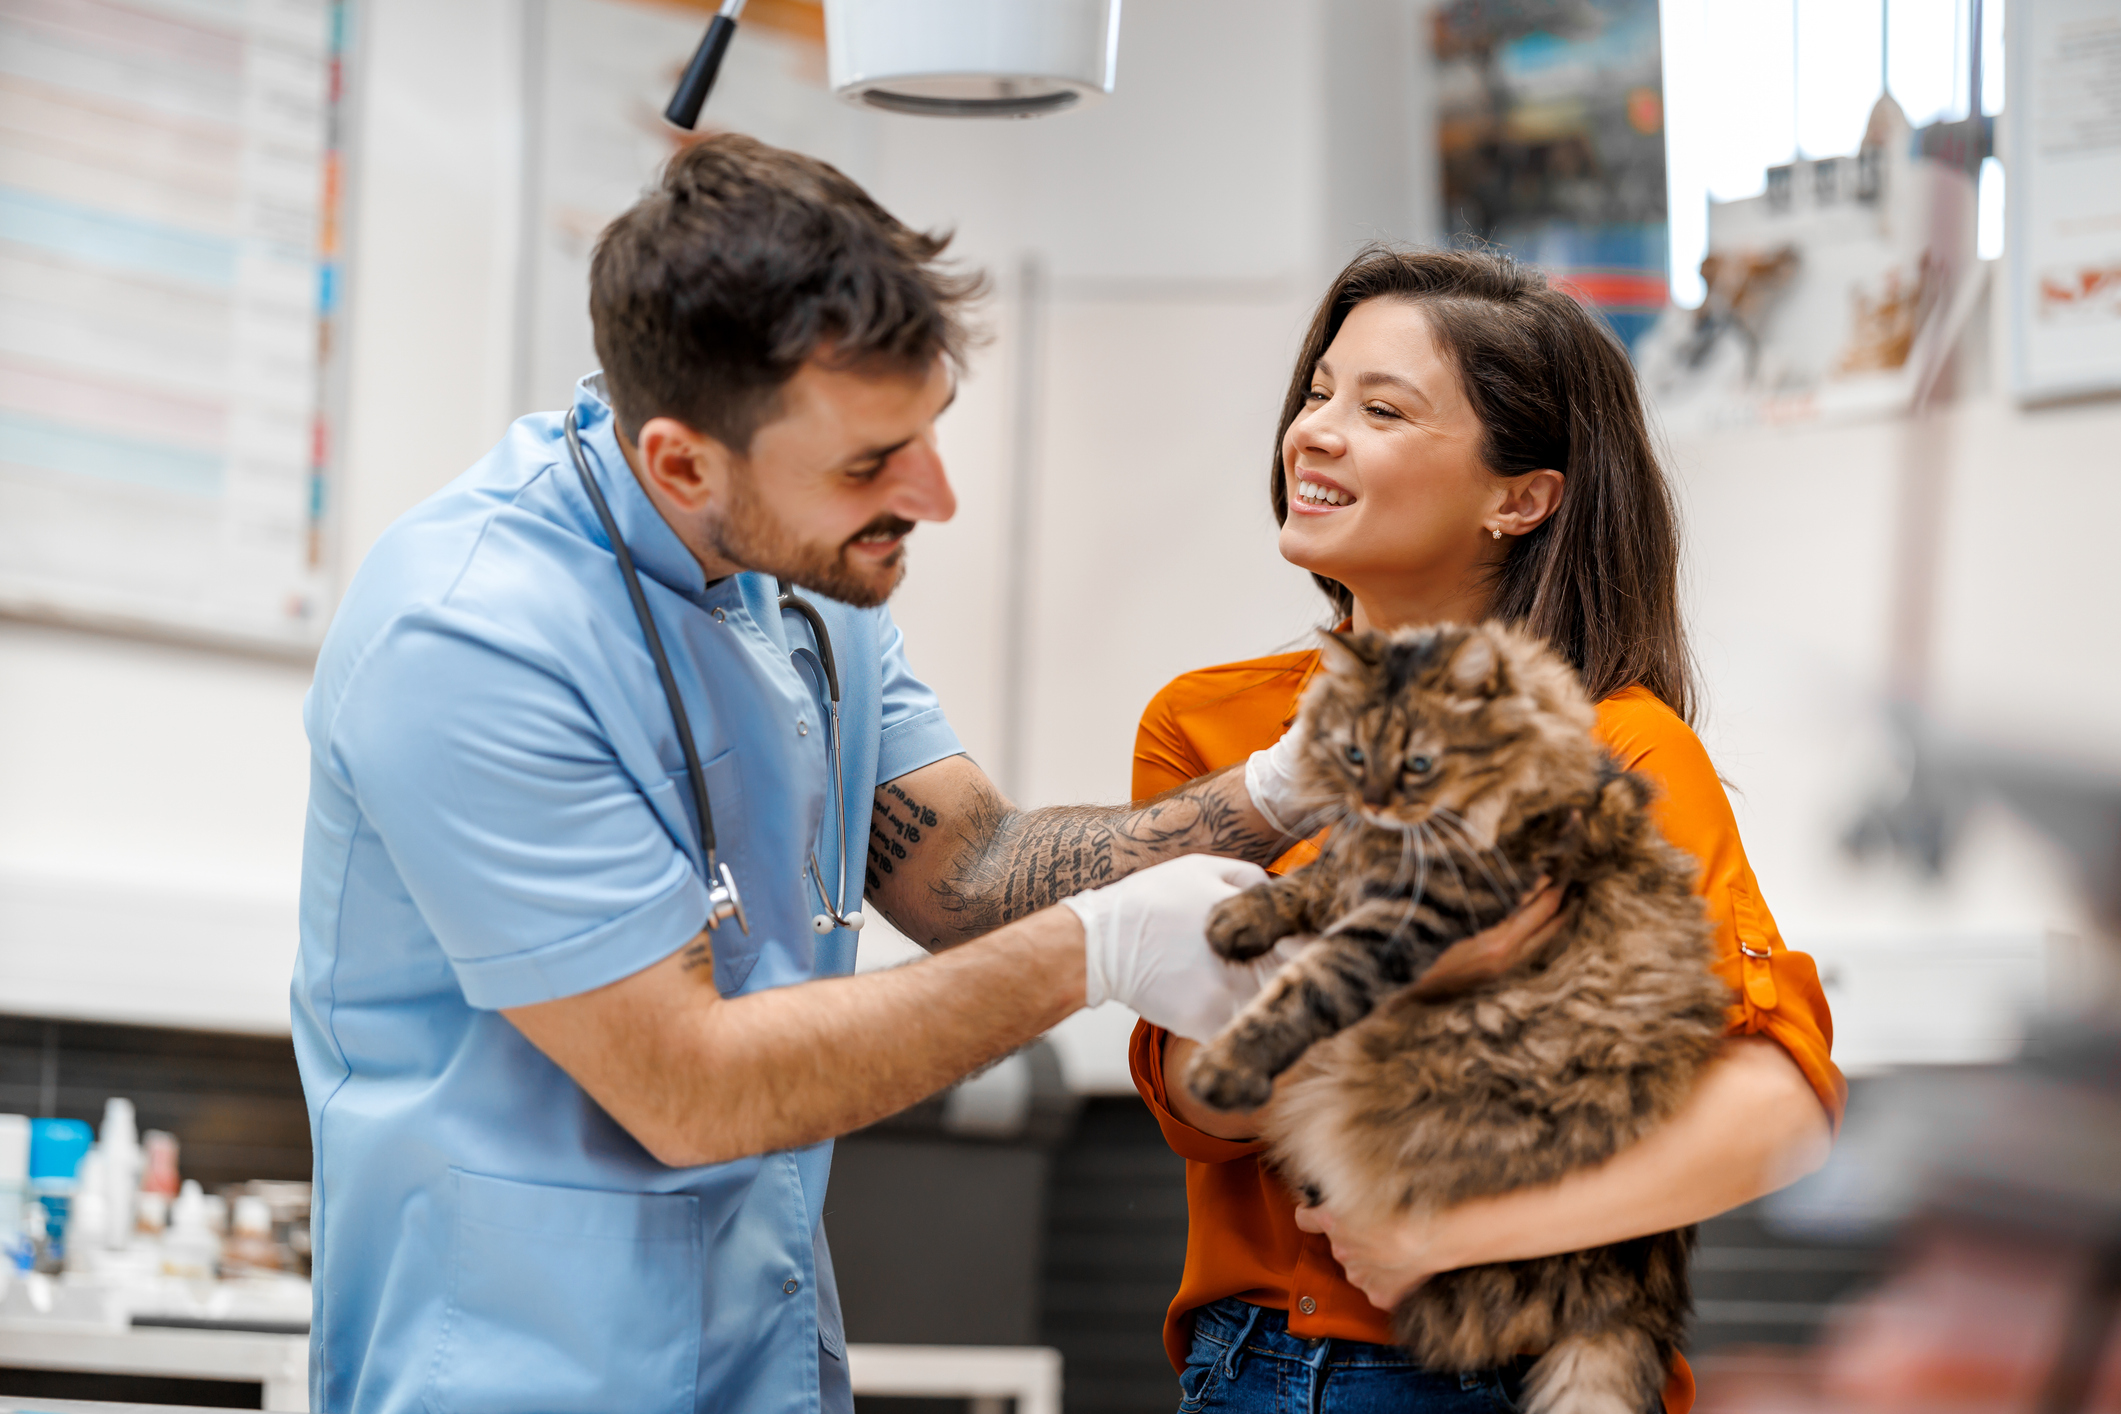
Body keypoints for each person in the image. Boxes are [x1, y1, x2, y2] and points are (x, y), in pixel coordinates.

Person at [292, 134, 1439, 1414]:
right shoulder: (468, 638)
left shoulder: (805, 571)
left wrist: (1268, 794)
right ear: (682, 461)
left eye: (929, 432)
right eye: (869, 465)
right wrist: (1096, 951)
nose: (933, 497)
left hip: (760, 1355)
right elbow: (688, 1083)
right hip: (517, 1372)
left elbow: (963, 868)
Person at [1126, 247, 1846, 1414]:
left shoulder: (1618, 743)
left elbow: (1777, 1109)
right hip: (1252, 1367)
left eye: (1381, 408)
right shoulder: (1208, 729)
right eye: (1317, 392)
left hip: (1499, 1368)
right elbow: (1202, 1098)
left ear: (1522, 496)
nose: (1314, 431)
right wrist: (1418, 968)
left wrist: (1453, 1233)